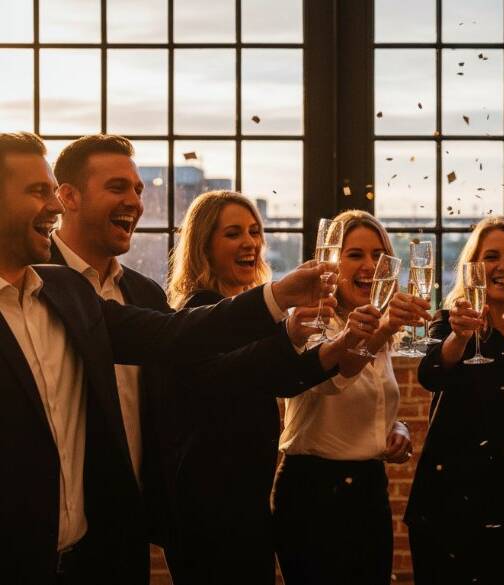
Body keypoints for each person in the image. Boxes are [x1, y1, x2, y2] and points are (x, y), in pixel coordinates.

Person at [0, 131, 337, 585]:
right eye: (38, 191)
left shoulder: (67, 292)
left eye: (139, 188)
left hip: (113, 542)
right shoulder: (64, 285)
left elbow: (177, 337)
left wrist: (276, 297)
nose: (53, 207)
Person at [161, 191, 349, 585]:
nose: (250, 242)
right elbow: (228, 374)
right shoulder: (200, 309)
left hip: (246, 498)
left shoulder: (250, 310)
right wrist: (289, 334)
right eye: (233, 234)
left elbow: (284, 378)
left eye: (254, 231)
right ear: (203, 246)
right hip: (209, 503)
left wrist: (349, 341)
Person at [404, 215, 504, 585]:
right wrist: (460, 337)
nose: (502, 266)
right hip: (446, 508)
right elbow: (430, 374)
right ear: (473, 266)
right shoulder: (449, 322)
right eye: (491, 256)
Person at [48, 135, 173, 576]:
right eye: (117, 187)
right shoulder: (31, 283)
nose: (134, 202)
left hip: (127, 532)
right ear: (68, 197)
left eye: (137, 189)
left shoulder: (145, 293)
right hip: (46, 537)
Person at [273, 210, 417, 585]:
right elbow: (330, 382)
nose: (369, 265)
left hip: (369, 487)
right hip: (313, 491)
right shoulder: (311, 319)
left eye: (378, 255)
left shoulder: (379, 328)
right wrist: (384, 329)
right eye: (355, 255)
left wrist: (396, 427)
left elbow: (366, 402)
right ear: (331, 265)